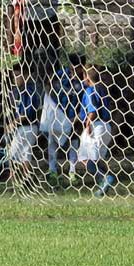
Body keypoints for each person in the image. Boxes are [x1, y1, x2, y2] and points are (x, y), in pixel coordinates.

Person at [41, 55, 83, 187]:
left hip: (72, 117)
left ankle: (72, 172)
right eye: (73, 66)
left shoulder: (83, 81)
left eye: (78, 67)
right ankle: (52, 171)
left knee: (74, 143)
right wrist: (50, 104)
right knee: (52, 142)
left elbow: (83, 101)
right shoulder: (61, 74)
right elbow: (48, 82)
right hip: (57, 117)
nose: (75, 70)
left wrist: (76, 118)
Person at [76, 67, 115, 197]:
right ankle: (103, 184)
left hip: (96, 126)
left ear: (87, 78)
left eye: (83, 77)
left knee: (85, 158)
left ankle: (105, 178)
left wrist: (88, 124)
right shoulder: (102, 89)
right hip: (106, 127)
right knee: (95, 159)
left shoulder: (89, 90)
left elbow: (92, 111)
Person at [7, 65, 41, 174]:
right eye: (13, 76)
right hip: (29, 128)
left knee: (12, 156)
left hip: (27, 127)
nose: (14, 78)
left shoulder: (27, 91)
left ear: (26, 76)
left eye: (17, 75)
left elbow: (25, 114)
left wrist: (12, 124)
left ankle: (13, 181)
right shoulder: (20, 90)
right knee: (25, 156)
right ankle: (26, 180)